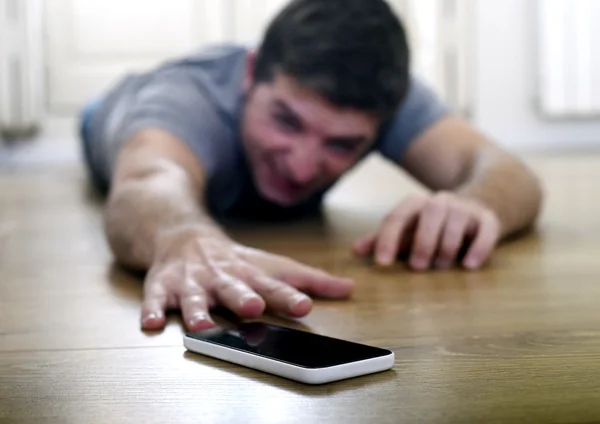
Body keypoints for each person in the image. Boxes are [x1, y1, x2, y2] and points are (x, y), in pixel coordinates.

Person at [79, 0, 543, 332]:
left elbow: (507, 171)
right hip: (113, 109)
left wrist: (477, 203)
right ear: (250, 73)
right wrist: (179, 235)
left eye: (342, 144)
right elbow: (148, 179)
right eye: (286, 120)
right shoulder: (185, 101)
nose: (301, 169)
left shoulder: (387, 97)